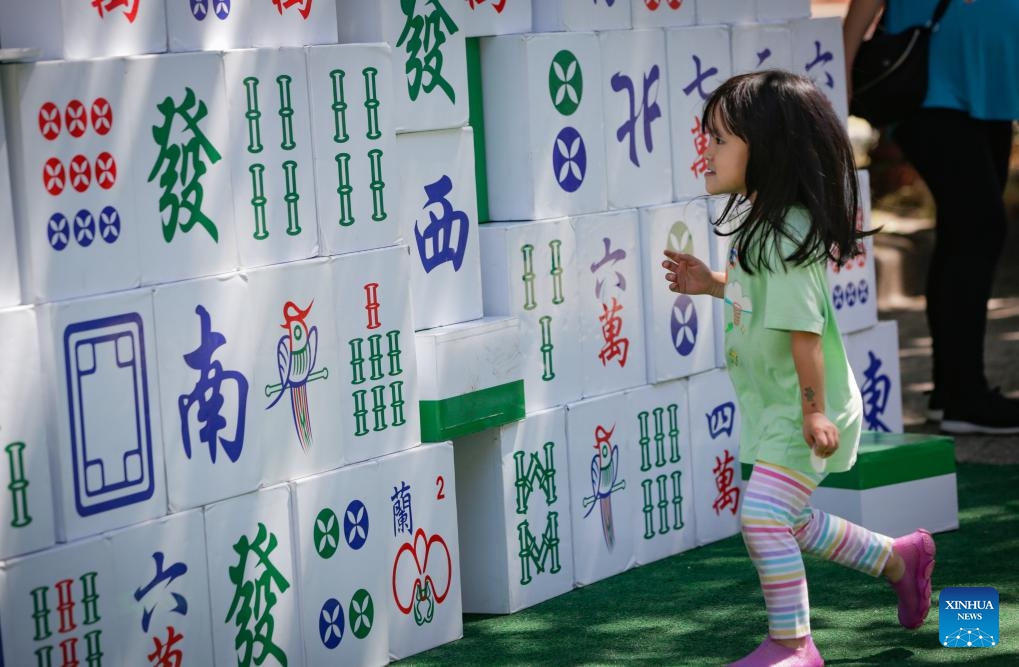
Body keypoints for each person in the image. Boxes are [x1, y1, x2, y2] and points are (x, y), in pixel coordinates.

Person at [660, 71, 935, 667]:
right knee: (789, 518)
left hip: (801, 409)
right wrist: (713, 284)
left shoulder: (782, 231)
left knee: (762, 517)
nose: (705, 149)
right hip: (782, 405)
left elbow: (804, 331)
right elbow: (764, 296)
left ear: (769, 151)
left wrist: (812, 412)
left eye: (720, 140)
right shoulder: (765, 223)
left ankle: (793, 646)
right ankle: (899, 559)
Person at [844, 0, 1019, 435]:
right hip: (931, 83)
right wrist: (842, 68)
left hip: (989, 85)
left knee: (966, 232)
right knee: (980, 226)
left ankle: (954, 393)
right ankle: (963, 395)